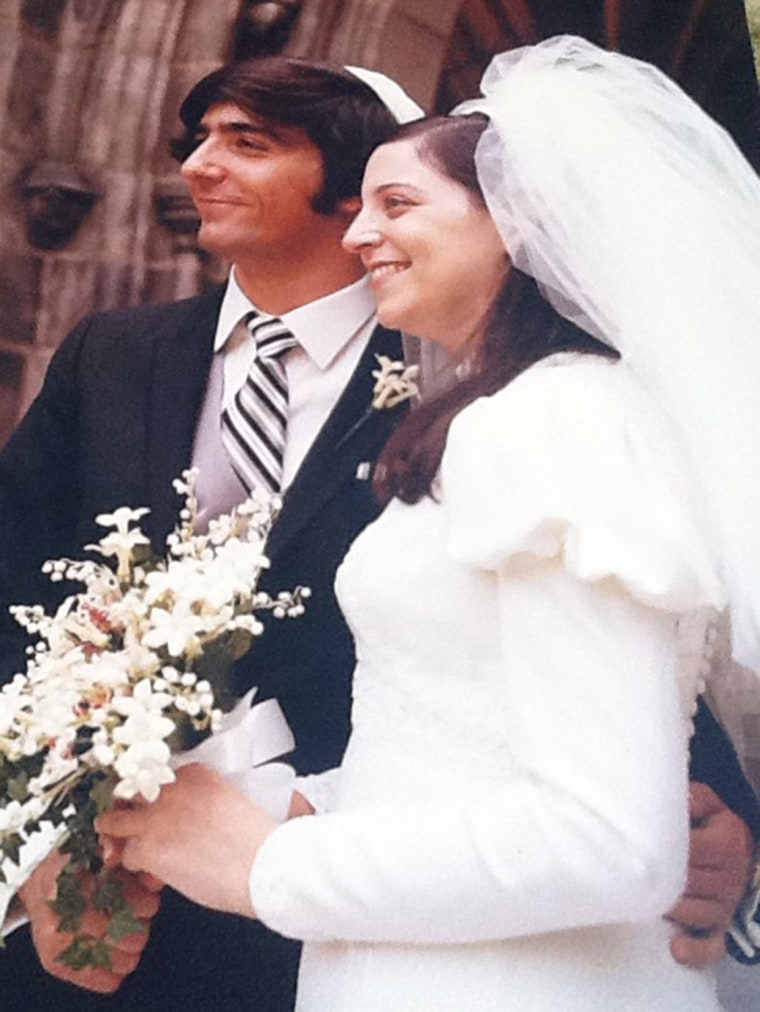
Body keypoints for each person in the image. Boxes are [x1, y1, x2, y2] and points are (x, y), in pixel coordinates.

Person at [99, 36, 760, 1010]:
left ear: (523, 224)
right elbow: (459, 743)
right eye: (362, 202)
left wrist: (270, 864)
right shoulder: (512, 415)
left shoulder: (556, 422)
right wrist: (270, 802)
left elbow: (608, 840)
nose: (359, 234)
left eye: (397, 204)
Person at [0, 57, 420, 1012]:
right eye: (197, 140)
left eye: (248, 143)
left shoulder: (442, 377)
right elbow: (10, 588)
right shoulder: (111, 350)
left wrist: (705, 785)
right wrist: (36, 852)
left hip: (318, 912)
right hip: (87, 904)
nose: (196, 166)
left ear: (353, 183)